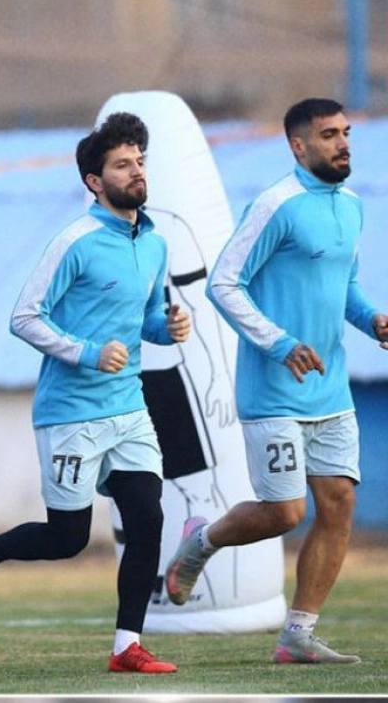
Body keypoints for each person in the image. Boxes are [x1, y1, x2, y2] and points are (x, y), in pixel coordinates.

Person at [0, 112, 190, 674]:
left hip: (128, 407)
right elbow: (24, 318)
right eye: (122, 165)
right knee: (67, 538)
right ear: (94, 181)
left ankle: (126, 647)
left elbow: (145, 320)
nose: (137, 172)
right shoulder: (73, 241)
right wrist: (86, 352)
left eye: (140, 162)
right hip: (70, 413)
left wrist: (167, 327)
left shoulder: (154, 243)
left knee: (148, 518)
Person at [164, 97, 387, 663]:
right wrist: (279, 343)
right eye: (329, 135)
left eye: (346, 133)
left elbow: (345, 287)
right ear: (298, 145)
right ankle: (202, 542)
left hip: (330, 389)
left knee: (338, 504)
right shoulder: (275, 205)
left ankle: (298, 635)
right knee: (285, 512)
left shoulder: (352, 206)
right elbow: (223, 283)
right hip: (274, 390)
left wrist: (372, 320)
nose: (343, 144)